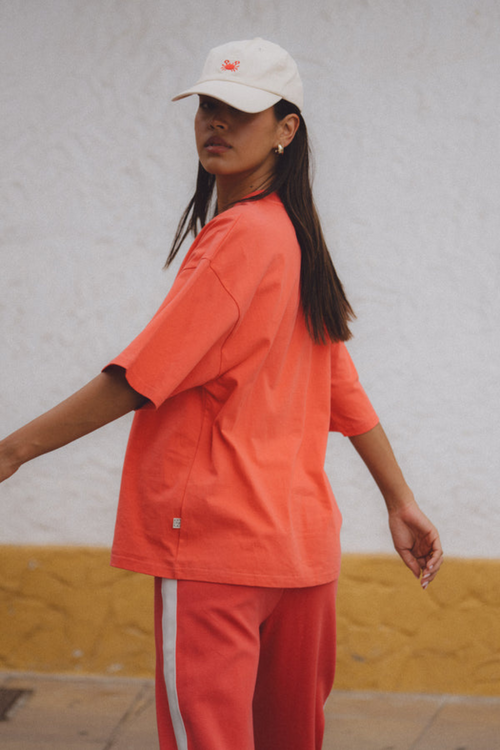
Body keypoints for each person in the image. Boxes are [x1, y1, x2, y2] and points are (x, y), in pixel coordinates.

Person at [0, 38, 442, 750]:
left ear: (285, 128)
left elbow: (140, 378)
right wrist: (400, 500)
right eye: (209, 106)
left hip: (213, 551)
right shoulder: (295, 239)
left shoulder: (238, 239)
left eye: (240, 111)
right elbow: (344, 388)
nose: (218, 124)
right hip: (299, 554)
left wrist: (13, 451)